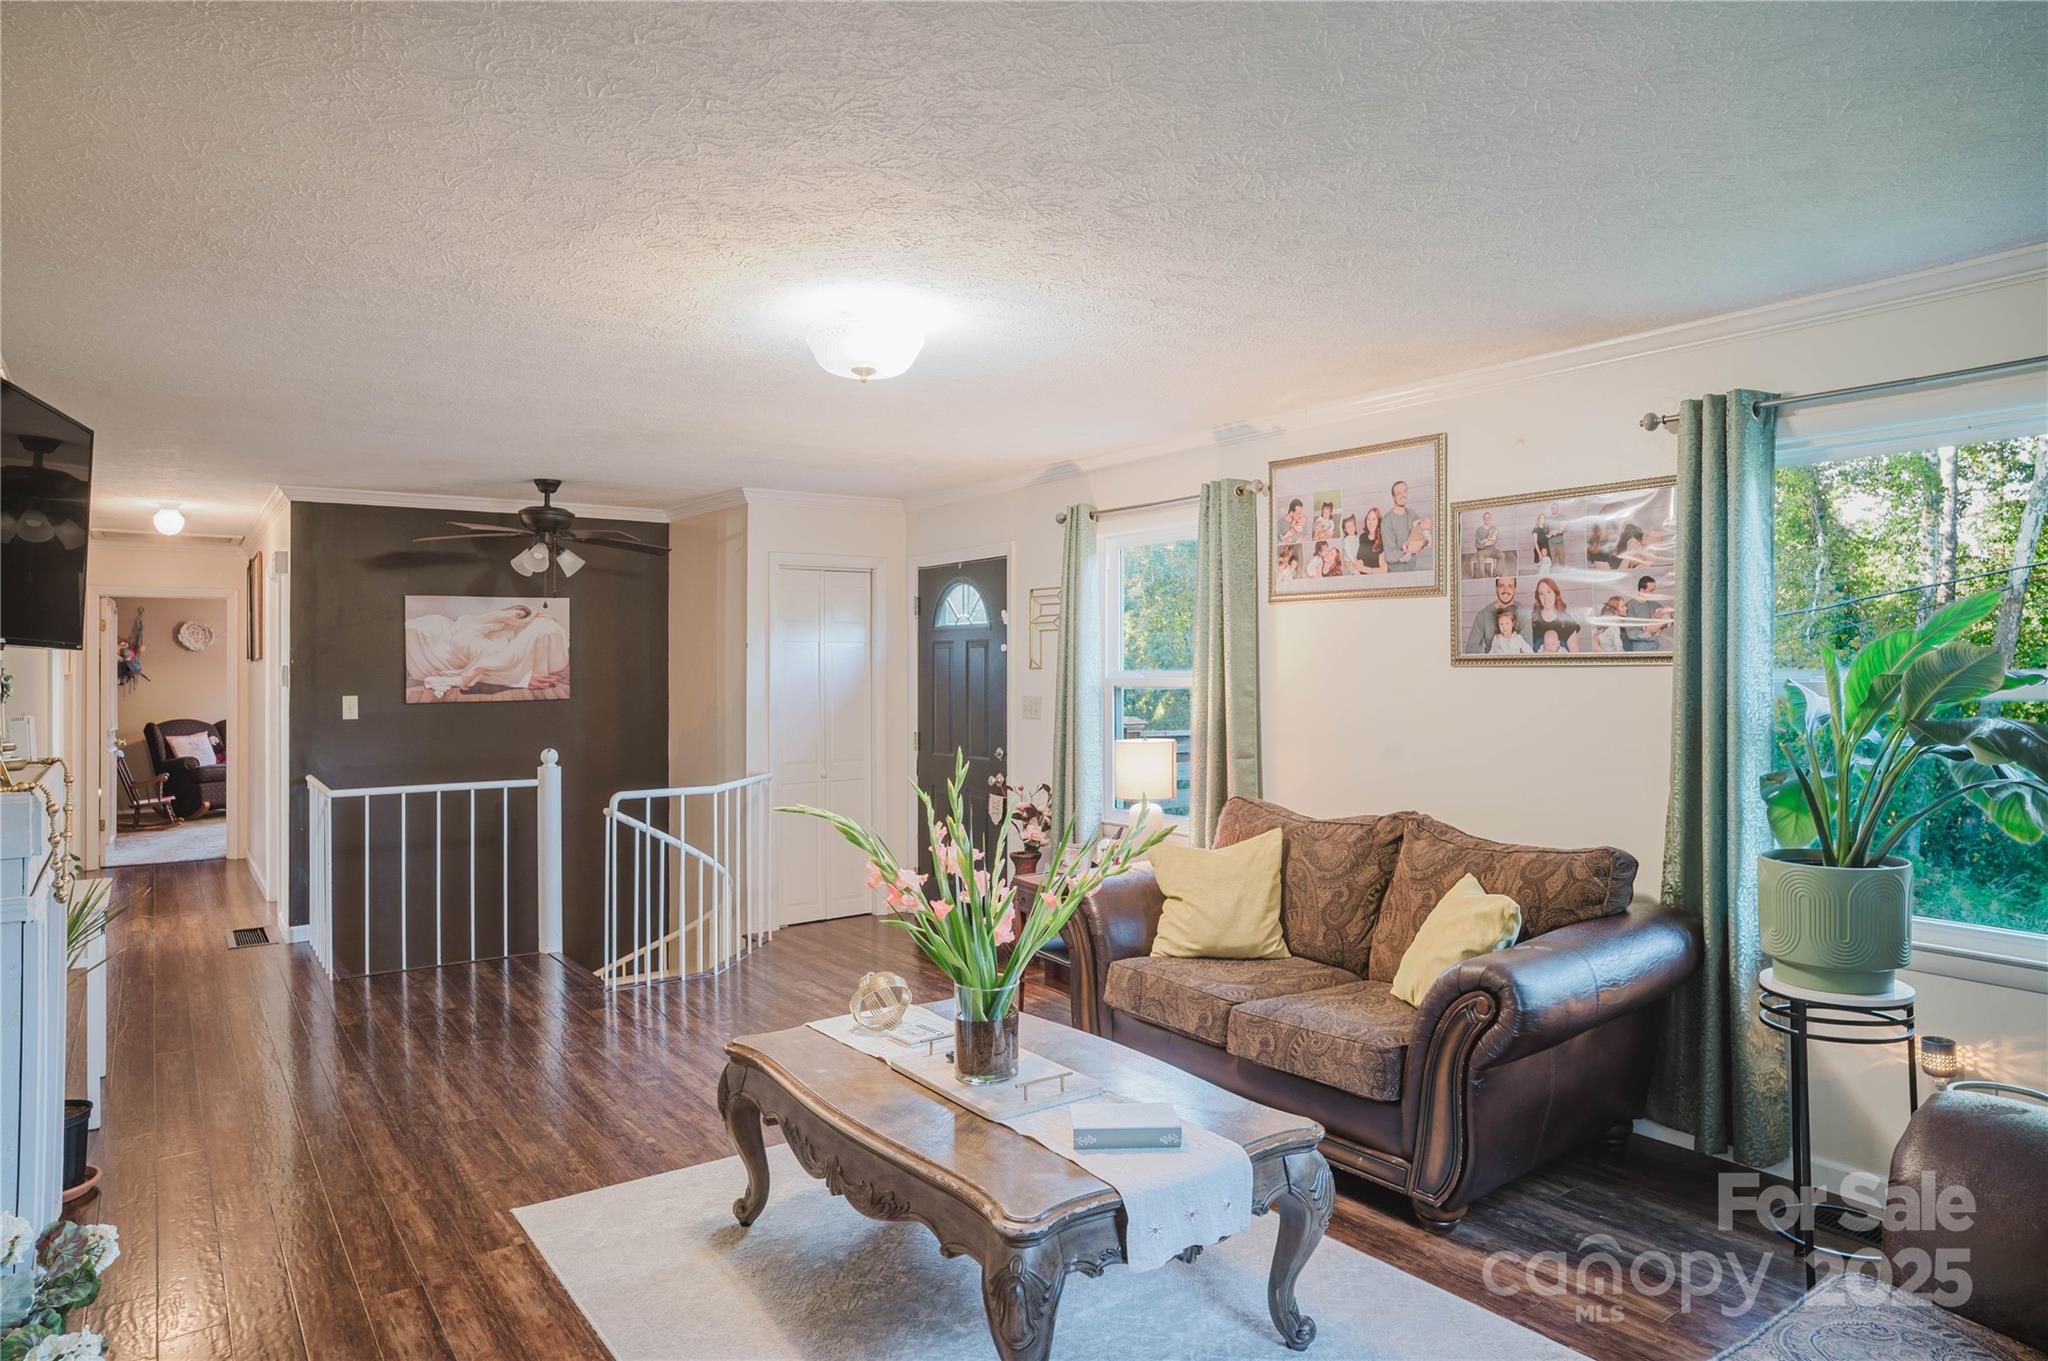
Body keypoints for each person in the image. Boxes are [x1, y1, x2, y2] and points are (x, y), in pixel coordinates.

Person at [1382, 479, 1431, 571]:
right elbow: (1390, 555)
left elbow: (1423, 533)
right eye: (1398, 493)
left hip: (1413, 569)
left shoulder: (1412, 515)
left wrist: (1422, 543)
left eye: (1404, 491)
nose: (1403, 495)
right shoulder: (1386, 521)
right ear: (1393, 497)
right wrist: (1410, 550)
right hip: (1396, 574)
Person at [1465, 576, 1520, 653]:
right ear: (1496, 588)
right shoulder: (1483, 615)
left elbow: (1528, 650)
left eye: (1510, 586)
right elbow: (1471, 649)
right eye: (1501, 586)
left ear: (1515, 589)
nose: (1505, 590)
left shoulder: (1524, 613)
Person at [1526, 576, 1582, 651]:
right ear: (1538, 597)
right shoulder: (1531, 620)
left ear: (1555, 594)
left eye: (1549, 592)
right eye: (1541, 594)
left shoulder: (1567, 622)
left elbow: (1576, 657)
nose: (1546, 597)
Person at [1622, 575, 1665, 651]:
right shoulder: (1629, 606)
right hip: (1640, 648)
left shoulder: (1653, 603)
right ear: (1642, 590)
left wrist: (1661, 627)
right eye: (1651, 591)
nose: (1653, 594)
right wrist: (1650, 633)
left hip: (1655, 645)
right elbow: (1631, 633)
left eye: (1654, 590)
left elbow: (1665, 615)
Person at [1354, 506, 1388, 573]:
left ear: (1378, 521)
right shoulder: (1363, 537)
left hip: (1376, 579)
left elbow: (1384, 570)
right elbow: (1361, 559)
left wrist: (1365, 569)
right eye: (1368, 519)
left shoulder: (1383, 539)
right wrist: (1358, 564)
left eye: (1373, 519)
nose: (1370, 523)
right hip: (1362, 578)